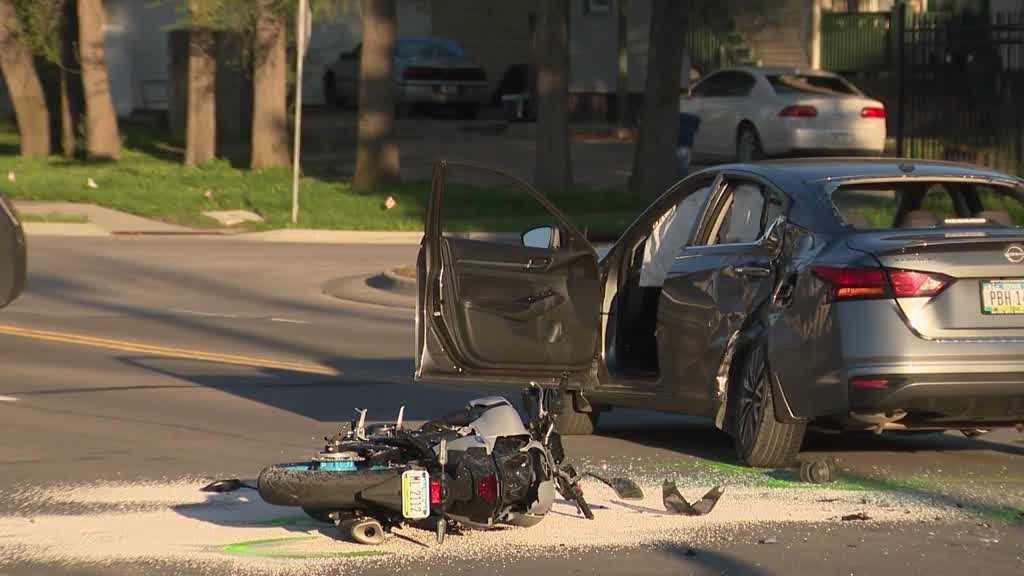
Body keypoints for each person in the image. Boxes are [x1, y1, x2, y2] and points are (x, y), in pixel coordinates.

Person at [677, 113, 700, 178]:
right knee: (684, 165)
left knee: (682, 164)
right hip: (686, 147)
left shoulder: (681, 125)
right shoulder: (690, 128)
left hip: (682, 146)